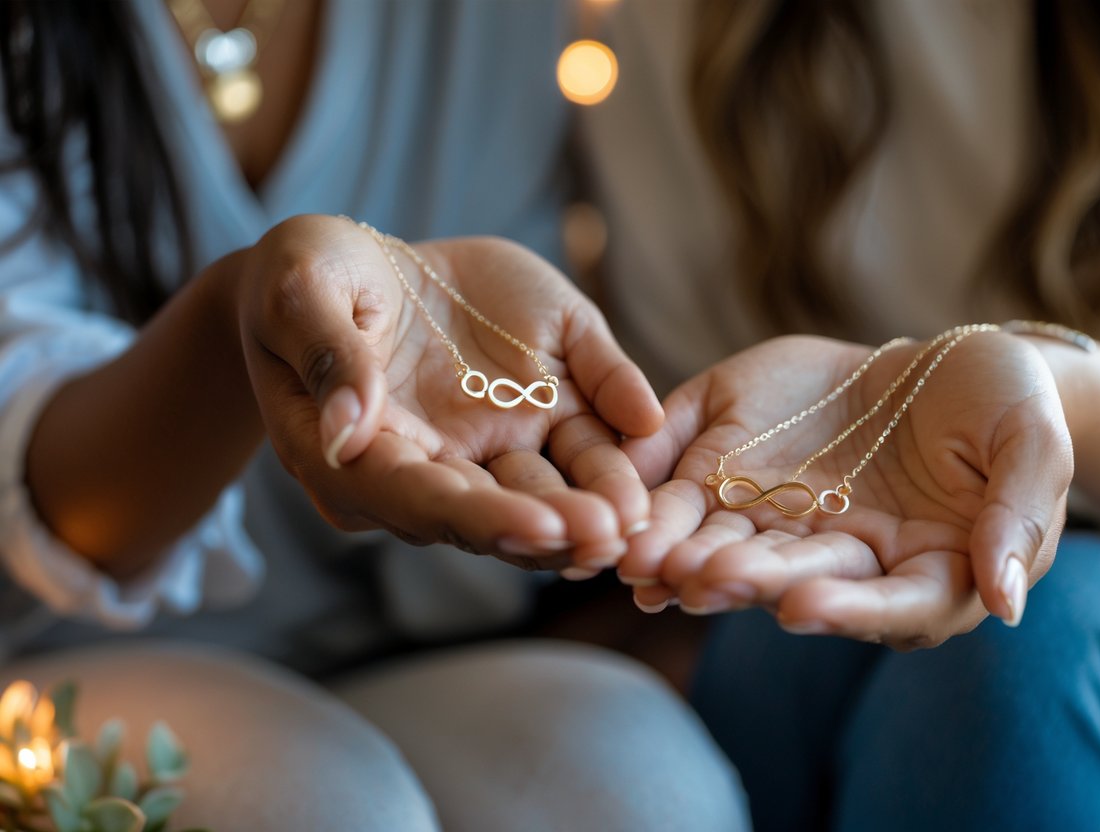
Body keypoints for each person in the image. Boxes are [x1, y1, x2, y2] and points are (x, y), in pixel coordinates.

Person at [0, 1, 749, 828]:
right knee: (334, 807)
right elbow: (57, 513)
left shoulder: (492, 21)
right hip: (50, 670)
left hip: (382, 648)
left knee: (638, 780)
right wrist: (236, 323)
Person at [577, 0, 1100, 828]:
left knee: (1016, 649)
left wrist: (1049, 393)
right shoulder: (684, 31)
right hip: (838, 538)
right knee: (775, 654)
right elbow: (706, 418)